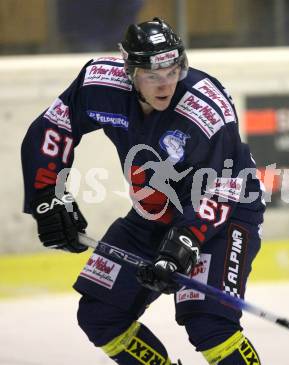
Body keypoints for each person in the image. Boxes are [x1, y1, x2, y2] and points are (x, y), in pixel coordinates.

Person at [21, 18, 265, 365]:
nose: (165, 84)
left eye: (172, 71)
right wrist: (47, 198)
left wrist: (184, 242)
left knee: (209, 323)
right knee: (101, 316)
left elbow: (221, 188)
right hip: (154, 212)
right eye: (152, 75)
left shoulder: (207, 109)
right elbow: (55, 126)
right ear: (130, 71)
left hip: (224, 214)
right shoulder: (100, 86)